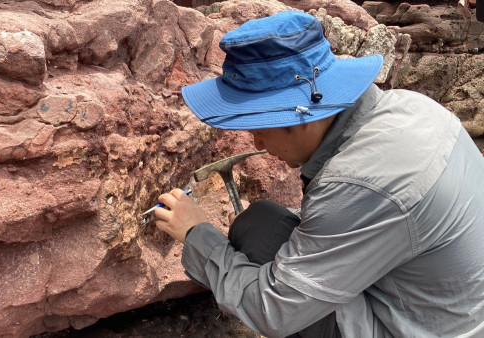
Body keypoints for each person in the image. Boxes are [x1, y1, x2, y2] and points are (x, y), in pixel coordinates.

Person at [152, 10, 484, 337]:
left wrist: (196, 233)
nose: (258, 142)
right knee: (263, 221)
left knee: (257, 236)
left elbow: (273, 312)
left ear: (304, 116)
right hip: (448, 305)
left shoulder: (358, 181)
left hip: (423, 328)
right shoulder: (409, 105)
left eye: (261, 126)